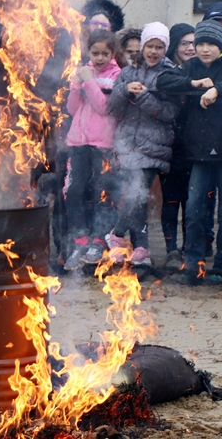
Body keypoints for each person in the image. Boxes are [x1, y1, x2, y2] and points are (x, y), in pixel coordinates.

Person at [158, 20, 222, 285]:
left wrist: (218, 89)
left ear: (221, 45)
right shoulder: (190, 66)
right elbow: (164, 79)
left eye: (210, 44)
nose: (204, 49)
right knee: (193, 210)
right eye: (199, 44)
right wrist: (194, 83)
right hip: (199, 153)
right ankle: (193, 263)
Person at [104, 22, 180, 270]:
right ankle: (141, 249)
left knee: (138, 193)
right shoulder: (128, 71)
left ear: (165, 49)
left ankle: (116, 233)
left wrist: (145, 96)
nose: (154, 52)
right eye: (150, 46)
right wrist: (125, 90)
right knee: (135, 196)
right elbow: (112, 106)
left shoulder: (170, 74)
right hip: (126, 144)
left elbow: (170, 112)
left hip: (153, 146)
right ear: (144, 46)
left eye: (159, 47)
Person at [60, 29, 122, 269]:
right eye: (95, 53)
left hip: (103, 145)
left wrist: (88, 81)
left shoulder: (117, 76)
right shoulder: (82, 71)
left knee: (102, 193)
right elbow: (73, 109)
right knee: (73, 191)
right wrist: (77, 85)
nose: (99, 58)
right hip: (78, 143)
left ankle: (98, 240)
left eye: (104, 53)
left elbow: (104, 107)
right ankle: (80, 241)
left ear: (112, 53)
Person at [158, 22, 198, 268]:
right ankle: (171, 248)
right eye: (184, 43)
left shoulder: (202, 68)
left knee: (192, 202)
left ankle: (190, 247)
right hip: (171, 143)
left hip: (195, 143)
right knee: (171, 200)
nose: (190, 48)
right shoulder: (168, 70)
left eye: (194, 43)